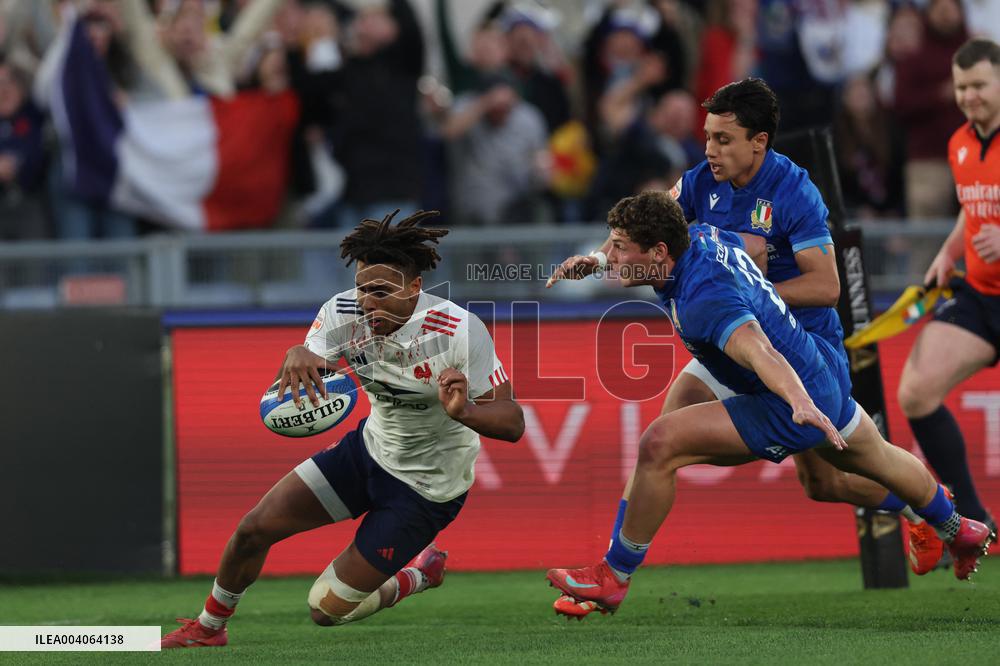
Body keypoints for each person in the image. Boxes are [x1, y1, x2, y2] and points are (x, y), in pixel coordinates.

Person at [549, 77, 946, 594]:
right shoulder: (698, 182)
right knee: (672, 442)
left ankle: (613, 574)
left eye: (723, 139)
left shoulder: (793, 190)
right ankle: (612, 568)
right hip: (733, 337)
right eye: (708, 136)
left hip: (797, 346)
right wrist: (602, 258)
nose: (710, 150)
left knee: (820, 480)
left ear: (759, 142)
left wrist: (747, 289)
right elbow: (647, 224)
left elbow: (827, 287)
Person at [544, 192, 994, 617]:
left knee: (660, 443)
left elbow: (759, 350)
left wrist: (798, 400)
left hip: (786, 391)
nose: (615, 257)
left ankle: (613, 576)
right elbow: (744, 248)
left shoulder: (704, 297)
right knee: (855, 467)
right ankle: (955, 525)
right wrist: (599, 259)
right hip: (817, 366)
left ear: (660, 252)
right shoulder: (699, 236)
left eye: (622, 248)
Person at [160, 210, 524, 648]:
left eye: (381, 291)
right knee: (253, 529)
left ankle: (415, 576)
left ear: (414, 287)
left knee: (324, 611)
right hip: (367, 453)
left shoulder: (461, 331)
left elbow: (513, 422)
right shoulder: (342, 312)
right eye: (361, 289)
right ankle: (208, 627)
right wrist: (298, 350)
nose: (368, 302)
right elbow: (312, 362)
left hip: (427, 489)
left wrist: (465, 412)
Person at [897, 38, 1000, 536]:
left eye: (979, 84)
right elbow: (973, 206)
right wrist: (948, 253)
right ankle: (973, 520)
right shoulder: (959, 142)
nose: (969, 96)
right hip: (981, 298)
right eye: (962, 87)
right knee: (915, 393)